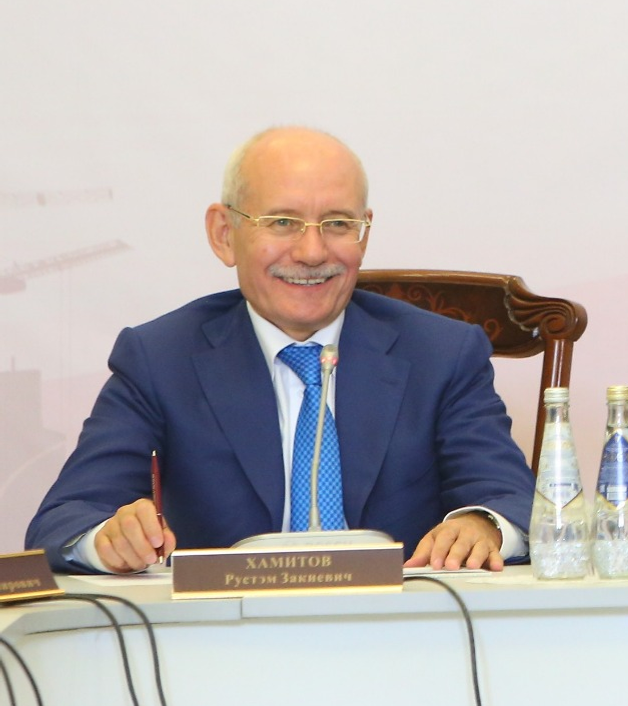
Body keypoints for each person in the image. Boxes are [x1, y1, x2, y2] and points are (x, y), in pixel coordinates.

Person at [27, 126, 534, 574]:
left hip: (403, 629)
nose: (312, 252)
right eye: (283, 222)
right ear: (224, 235)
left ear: (363, 232)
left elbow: (513, 501)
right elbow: (65, 520)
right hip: (221, 635)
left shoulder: (441, 354)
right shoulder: (160, 358)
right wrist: (109, 538)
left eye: (337, 223)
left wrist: (482, 524)